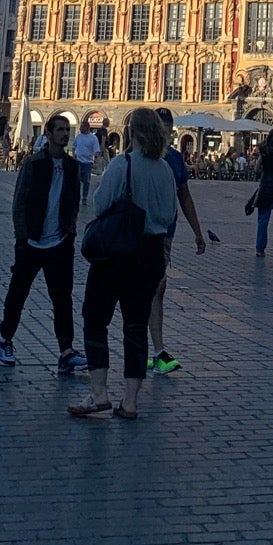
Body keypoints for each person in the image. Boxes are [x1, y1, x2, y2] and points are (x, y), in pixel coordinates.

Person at [68, 105, 175, 421]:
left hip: (116, 256)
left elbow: (100, 205)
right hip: (151, 254)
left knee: (96, 319)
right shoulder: (165, 170)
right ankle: (130, 401)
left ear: (132, 133)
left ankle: (99, 393)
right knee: (136, 326)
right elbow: (169, 216)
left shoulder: (122, 164)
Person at [0, 111, 86, 376]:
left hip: (59, 243)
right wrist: (22, 237)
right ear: (48, 134)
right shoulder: (33, 164)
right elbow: (19, 201)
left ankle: (66, 351)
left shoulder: (71, 167)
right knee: (17, 295)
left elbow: (73, 200)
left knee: (62, 299)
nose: (64, 134)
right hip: (32, 242)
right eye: (59, 130)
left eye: (66, 130)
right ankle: (6, 340)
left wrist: (69, 232)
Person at [146, 108, 207, 374]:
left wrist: (197, 232)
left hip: (164, 234)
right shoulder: (137, 157)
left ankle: (157, 350)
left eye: (168, 128)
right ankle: (146, 348)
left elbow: (185, 197)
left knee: (157, 288)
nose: (166, 133)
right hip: (136, 233)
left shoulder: (174, 158)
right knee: (145, 290)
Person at [73, 119, 103, 203]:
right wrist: (74, 156)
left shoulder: (93, 138)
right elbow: (73, 146)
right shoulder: (78, 136)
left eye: (82, 127)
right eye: (80, 127)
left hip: (88, 162)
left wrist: (96, 159)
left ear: (87, 127)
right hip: (78, 161)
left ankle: (84, 197)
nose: (80, 128)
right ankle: (76, 196)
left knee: (86, 180)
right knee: (77, 180)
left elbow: (96, 150)